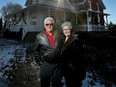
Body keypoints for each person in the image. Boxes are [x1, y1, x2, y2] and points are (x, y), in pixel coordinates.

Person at [33, 17, 64, 87]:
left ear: (53, 25)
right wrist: (40, 62)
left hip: (58, 65)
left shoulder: (59, 34)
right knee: (45, 84)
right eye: (47, 24)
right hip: (46, 64)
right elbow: (35, 50)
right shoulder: (39, 36)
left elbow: (64, 45)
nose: (49, 26)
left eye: (51, 24)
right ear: (44, 26)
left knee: (57, 84)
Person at [60, 21, 86, 87]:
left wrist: (72, 65)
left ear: (71, 29)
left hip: (75, 71)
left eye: (67, 29)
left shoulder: (76, 40)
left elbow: (80, 57)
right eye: (64, 29)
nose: (66, 31)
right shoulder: (63, 40)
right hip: (66, 70)